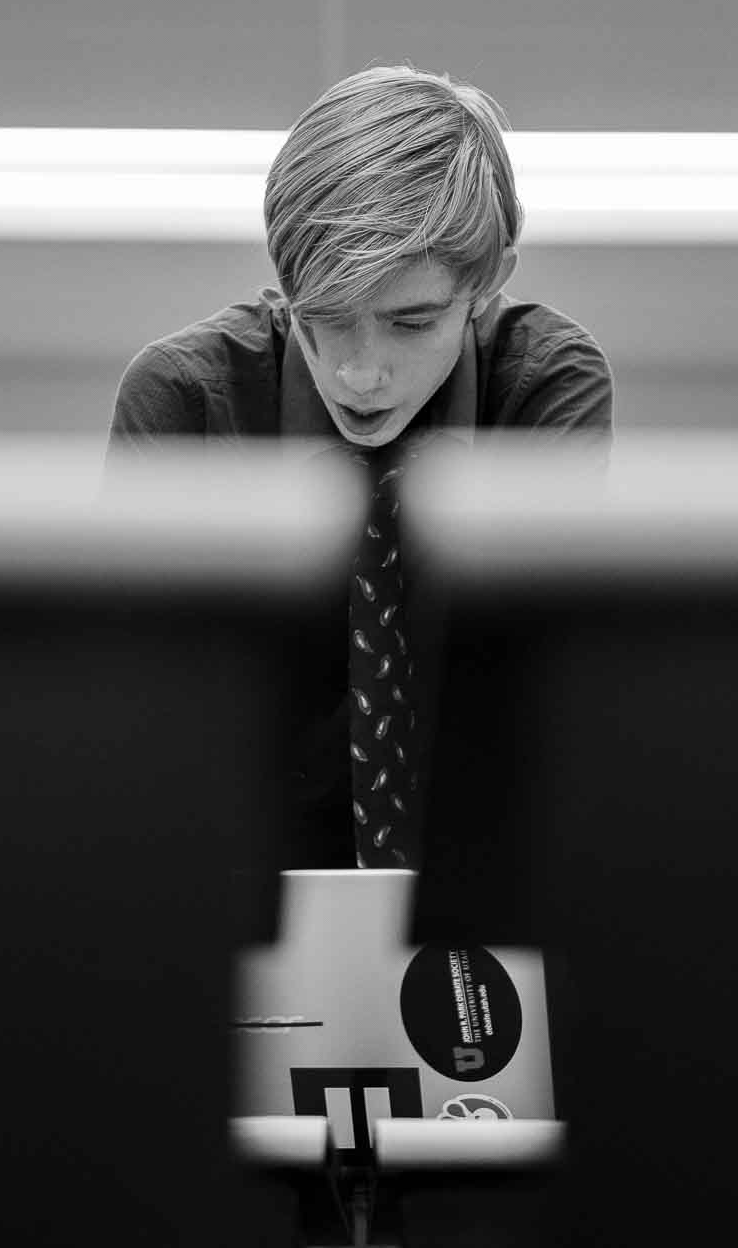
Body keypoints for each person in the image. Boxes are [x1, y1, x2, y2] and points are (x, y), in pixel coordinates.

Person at [107, 63, 613, 870]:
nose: (360, 372)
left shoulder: (543, 387)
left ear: (486, 285)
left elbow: (537, 714)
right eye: (325, 320)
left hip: (481, 893)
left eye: (410, 322)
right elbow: (144, 734)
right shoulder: (185, 402)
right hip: (231, 890)